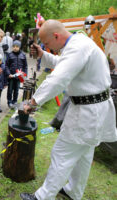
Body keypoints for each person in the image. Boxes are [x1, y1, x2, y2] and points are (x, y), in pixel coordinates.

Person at [20, 20, 117, 200]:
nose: (47, 47)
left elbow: (59, 78)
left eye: (47, 44)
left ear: (56, 36)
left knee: (61, 153)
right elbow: (64, 62)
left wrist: (33, 102)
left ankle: (42, 197)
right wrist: (44, 55)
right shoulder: (78, 43)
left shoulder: (78, 47)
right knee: (84, 156)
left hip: (87, 113)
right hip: (94, 110)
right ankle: (74, 191)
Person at [6, 40, 28, 109]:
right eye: (14, 46)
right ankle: (9, 102)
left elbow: (25, 66)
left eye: (17, 47)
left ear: (19, 47)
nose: (15, 48)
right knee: (10, 89)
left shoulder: (23, 55)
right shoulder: (10, 55)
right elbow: (6, 65)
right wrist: (8, 73)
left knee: (16, 90)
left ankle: (14, 101)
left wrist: (25, 74)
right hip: (11, 76)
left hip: (19, 76)